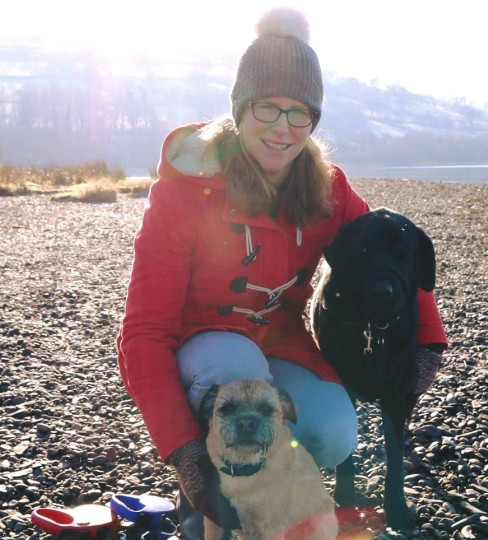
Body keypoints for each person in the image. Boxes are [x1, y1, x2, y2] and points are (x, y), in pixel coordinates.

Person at [117, 7, 447, 539]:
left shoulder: (327, 187)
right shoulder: (183, 194)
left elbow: (393, 248)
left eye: (300, 113)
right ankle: (207, 500)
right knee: (238, 369)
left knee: (335, 433)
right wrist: (186, 458)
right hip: (203, 347)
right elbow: (143, 334)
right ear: (240, 108)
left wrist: (428, 342)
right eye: (267, 108)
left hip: (283, 341)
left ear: (313, 120)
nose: (283, 129)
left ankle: (264, 487)